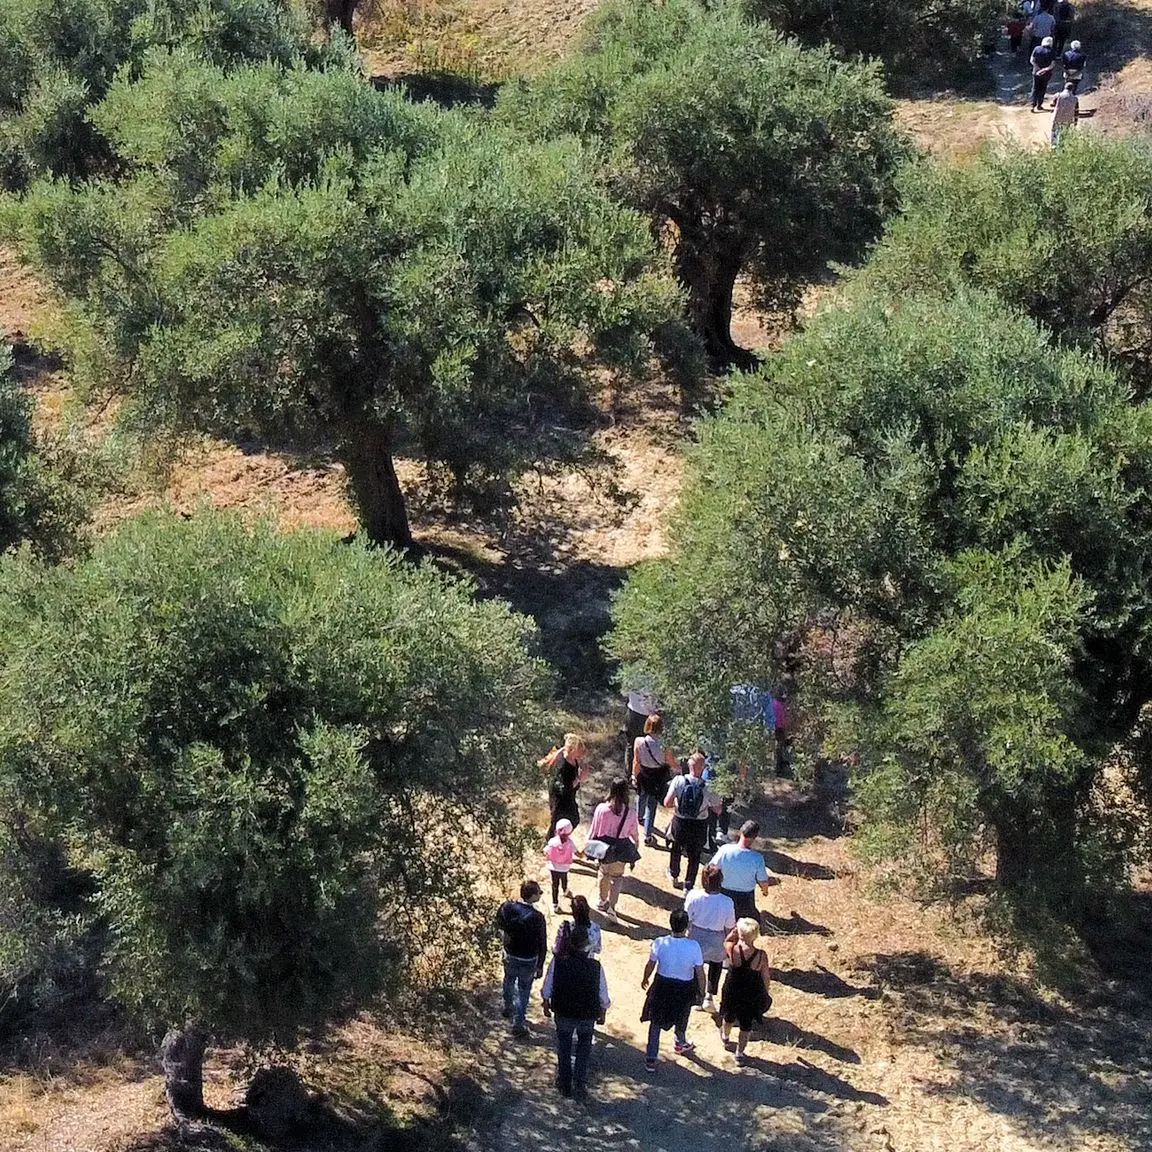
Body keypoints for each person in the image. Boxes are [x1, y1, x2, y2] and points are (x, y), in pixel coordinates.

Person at [541, 925, 611, 1101]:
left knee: (564, 1046)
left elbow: (547, 986)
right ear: (587, 945)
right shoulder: (595, 966)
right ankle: (579, 1083)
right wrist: (603, 1012)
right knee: (584, 1048)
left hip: (564, 1011)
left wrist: (546, 1003)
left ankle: (564, 1082)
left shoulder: (558, 962)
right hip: (587, 1014)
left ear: (570, 943)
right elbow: (603, 994)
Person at [640, 908, 705, 1072]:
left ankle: (651, 1058)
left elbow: (650, 964)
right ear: (686, 926)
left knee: (655, 1022)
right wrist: (702, 991)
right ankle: (680, 1042)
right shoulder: (694, 946)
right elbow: (700, 972)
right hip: (684, 989)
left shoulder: (660, 942)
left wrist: (645, 978)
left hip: (662, 986)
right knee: (682, 1017)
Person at [663, 750, 721, 891]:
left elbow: (667, 803)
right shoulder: (708, 787)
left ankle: (674, 874)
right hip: (699, 825)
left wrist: (678, 805)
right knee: (694, 856)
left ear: (689, 765)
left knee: (676, 848)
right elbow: (718, 810)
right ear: (703, 768)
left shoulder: (678, 780)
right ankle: (688, 886)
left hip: (680, 822)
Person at [496, 880, 548, 1038]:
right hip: (528, 959)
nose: (540, 894)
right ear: (532, 896)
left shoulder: (508, 907)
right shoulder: (537, 917)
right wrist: (540, 965)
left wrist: (504, 938)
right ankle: (518, 1023)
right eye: (539, 892)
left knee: (508, 980)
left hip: (510, 953)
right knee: (524, 990)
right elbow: (542, 943)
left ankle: (508, 1006)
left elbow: (499, 922)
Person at [586, 778, 641, 923]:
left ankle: (602, 901)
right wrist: (636, 845)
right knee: (617, 877)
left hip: (604, 848)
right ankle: (612, 907)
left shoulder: (601, 809)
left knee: (603, 873)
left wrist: (588, 846)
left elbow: (594, 829)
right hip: (621, 849)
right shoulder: (630, 812)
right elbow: (634, 833)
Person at [719, 918, 773, 1066]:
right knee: (746, 1024)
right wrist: (765, 991)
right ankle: (740, 1053)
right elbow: (766, 976)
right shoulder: (761, 955)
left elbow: (726, 942)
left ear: (739, 933)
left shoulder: (733, 949)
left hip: (732, 989)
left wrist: (732, 934)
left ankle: (725, 1036)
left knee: (729, 1016)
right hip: (751, 992)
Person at [684, 864, 736, 1012]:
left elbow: (687, 919)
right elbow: (729, 926)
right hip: (717, 937)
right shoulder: (727, 902)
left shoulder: (693, 895)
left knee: (695, 966)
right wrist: (729, 943)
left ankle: (697, 996)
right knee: (716, 965)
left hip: (696, 936)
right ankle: (709, 997)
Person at [711, 820, 773, 921]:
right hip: (746, 899)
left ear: (741, 831)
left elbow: (711, 869)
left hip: (724, 894)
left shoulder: (724, 850)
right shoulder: (757, 858)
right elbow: (763, 881)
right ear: (755, 837)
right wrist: (765, 891)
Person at [632, 713, 677, 846]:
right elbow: (670, 762)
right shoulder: (665, 745)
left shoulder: (639, 741)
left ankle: (639, 817)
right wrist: (679, 768)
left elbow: (636, 761)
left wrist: (634, 775)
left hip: (644, 773)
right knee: (651, 805)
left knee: (641, 796)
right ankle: (648, 834)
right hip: (658, 776)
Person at [541, 734, 588, 837]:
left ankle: (561, 839)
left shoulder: (572, 759)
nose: (581, 752)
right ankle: (553, 841)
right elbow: (565, 788)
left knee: (574, 819)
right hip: (559, 797)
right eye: (579, 750)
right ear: (572, 750)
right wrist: (579, 779)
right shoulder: (563, 765)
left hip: (568, 796)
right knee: (558, 820)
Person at [544, 819, 576, 913]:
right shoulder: (570, 843)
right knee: (564, 878)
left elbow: (545, 851)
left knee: (555, 885)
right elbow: (577, 853)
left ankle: (555, 904)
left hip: (553, 867)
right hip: (564, 867)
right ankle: (565, 890)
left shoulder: (552, 841)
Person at [1030, 35, 1057, 111]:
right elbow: (1052, 64)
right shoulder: (1052, 51)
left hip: (1036, 72)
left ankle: (1032, 104)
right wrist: (1045, 69)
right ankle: (1039, 105)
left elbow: (1032, 60)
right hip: (1046, 73)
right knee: (1043, 88)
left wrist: (1038, 68)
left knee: (1035, 88)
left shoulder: (1037, 49)